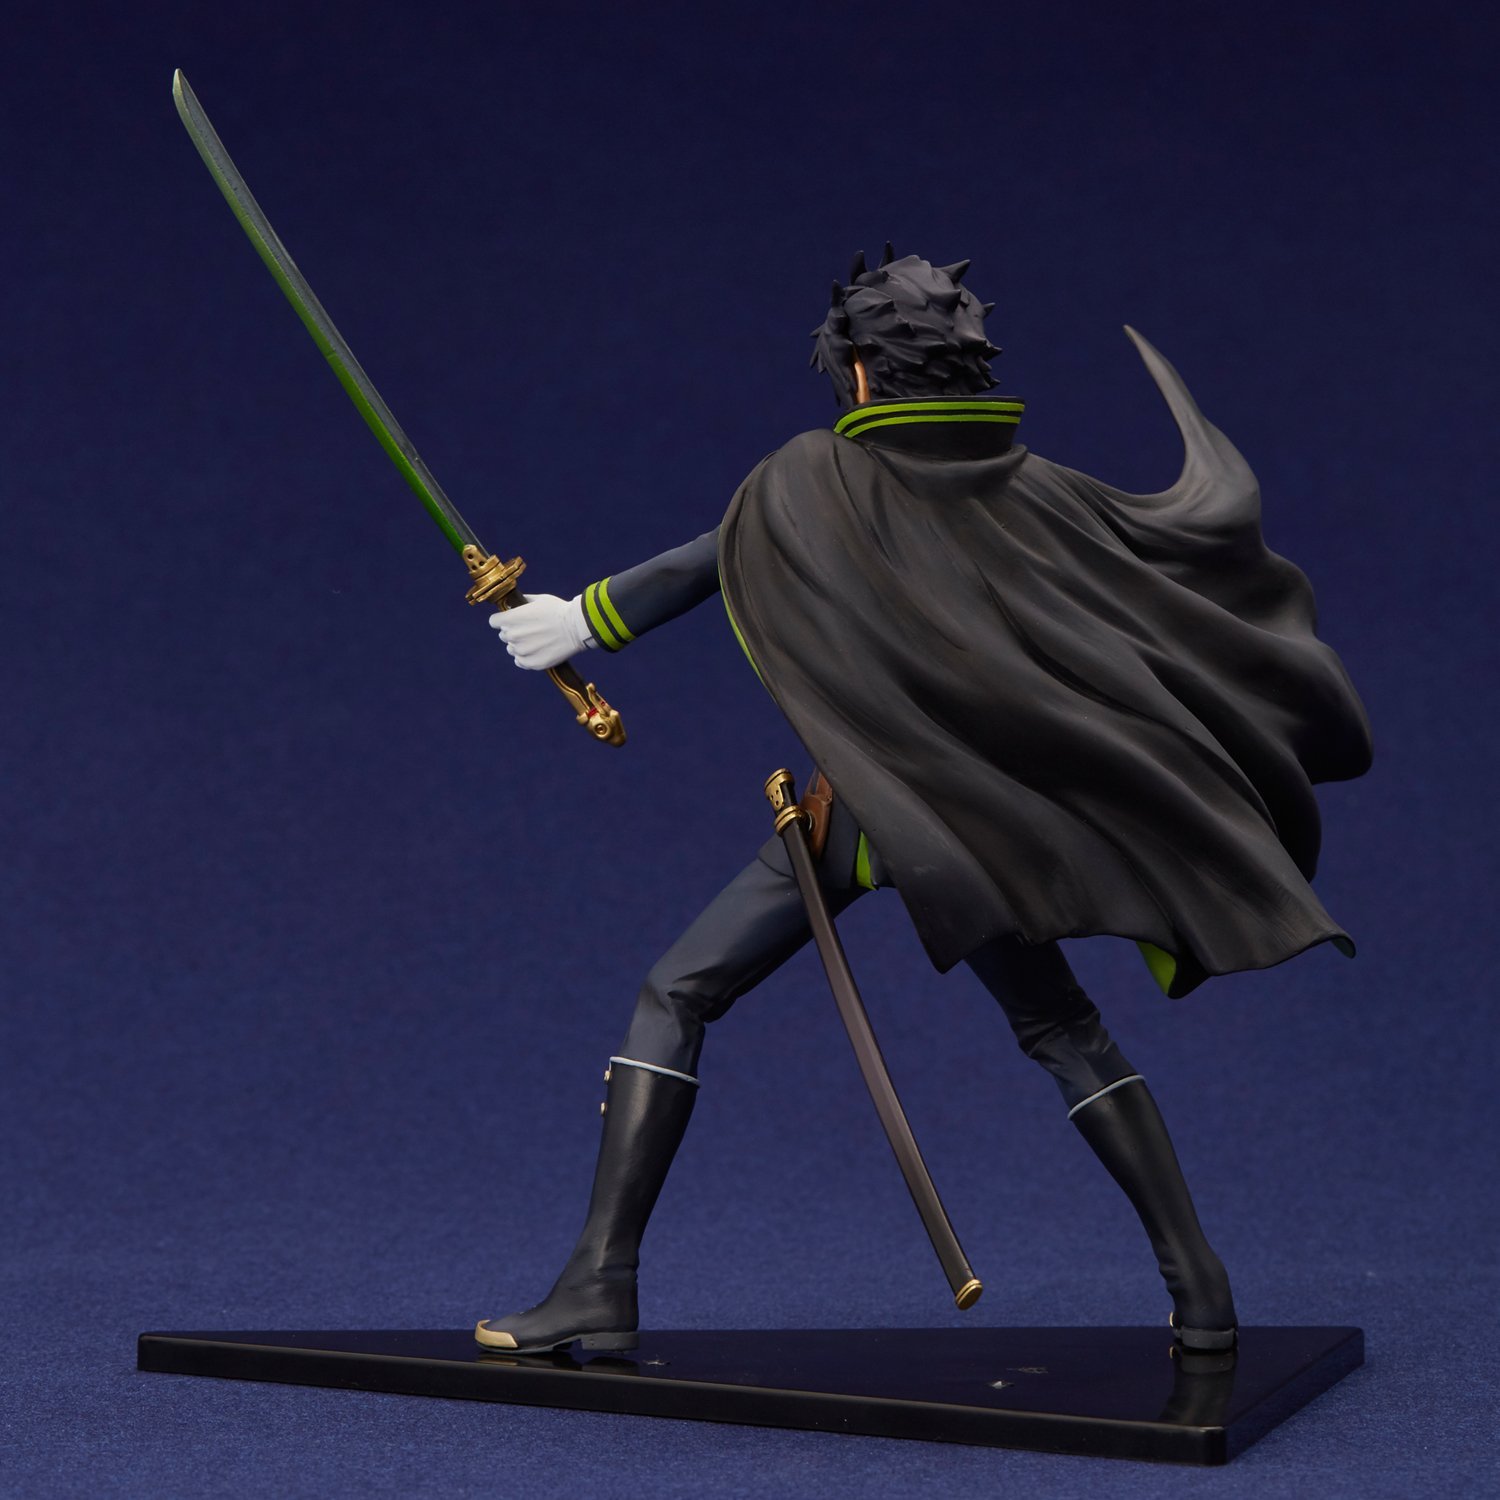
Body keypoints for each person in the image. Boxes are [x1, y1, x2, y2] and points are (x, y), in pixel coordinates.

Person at [475, 248, 1372, 1355]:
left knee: (675, 993)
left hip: (862, 820)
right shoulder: (1044, 490)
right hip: (981, 831)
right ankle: (1203, 1291)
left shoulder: (813, 474)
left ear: (859, 374)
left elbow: (717, 554)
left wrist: (580, 619)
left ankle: (601, 1281)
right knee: (1064, 1032)